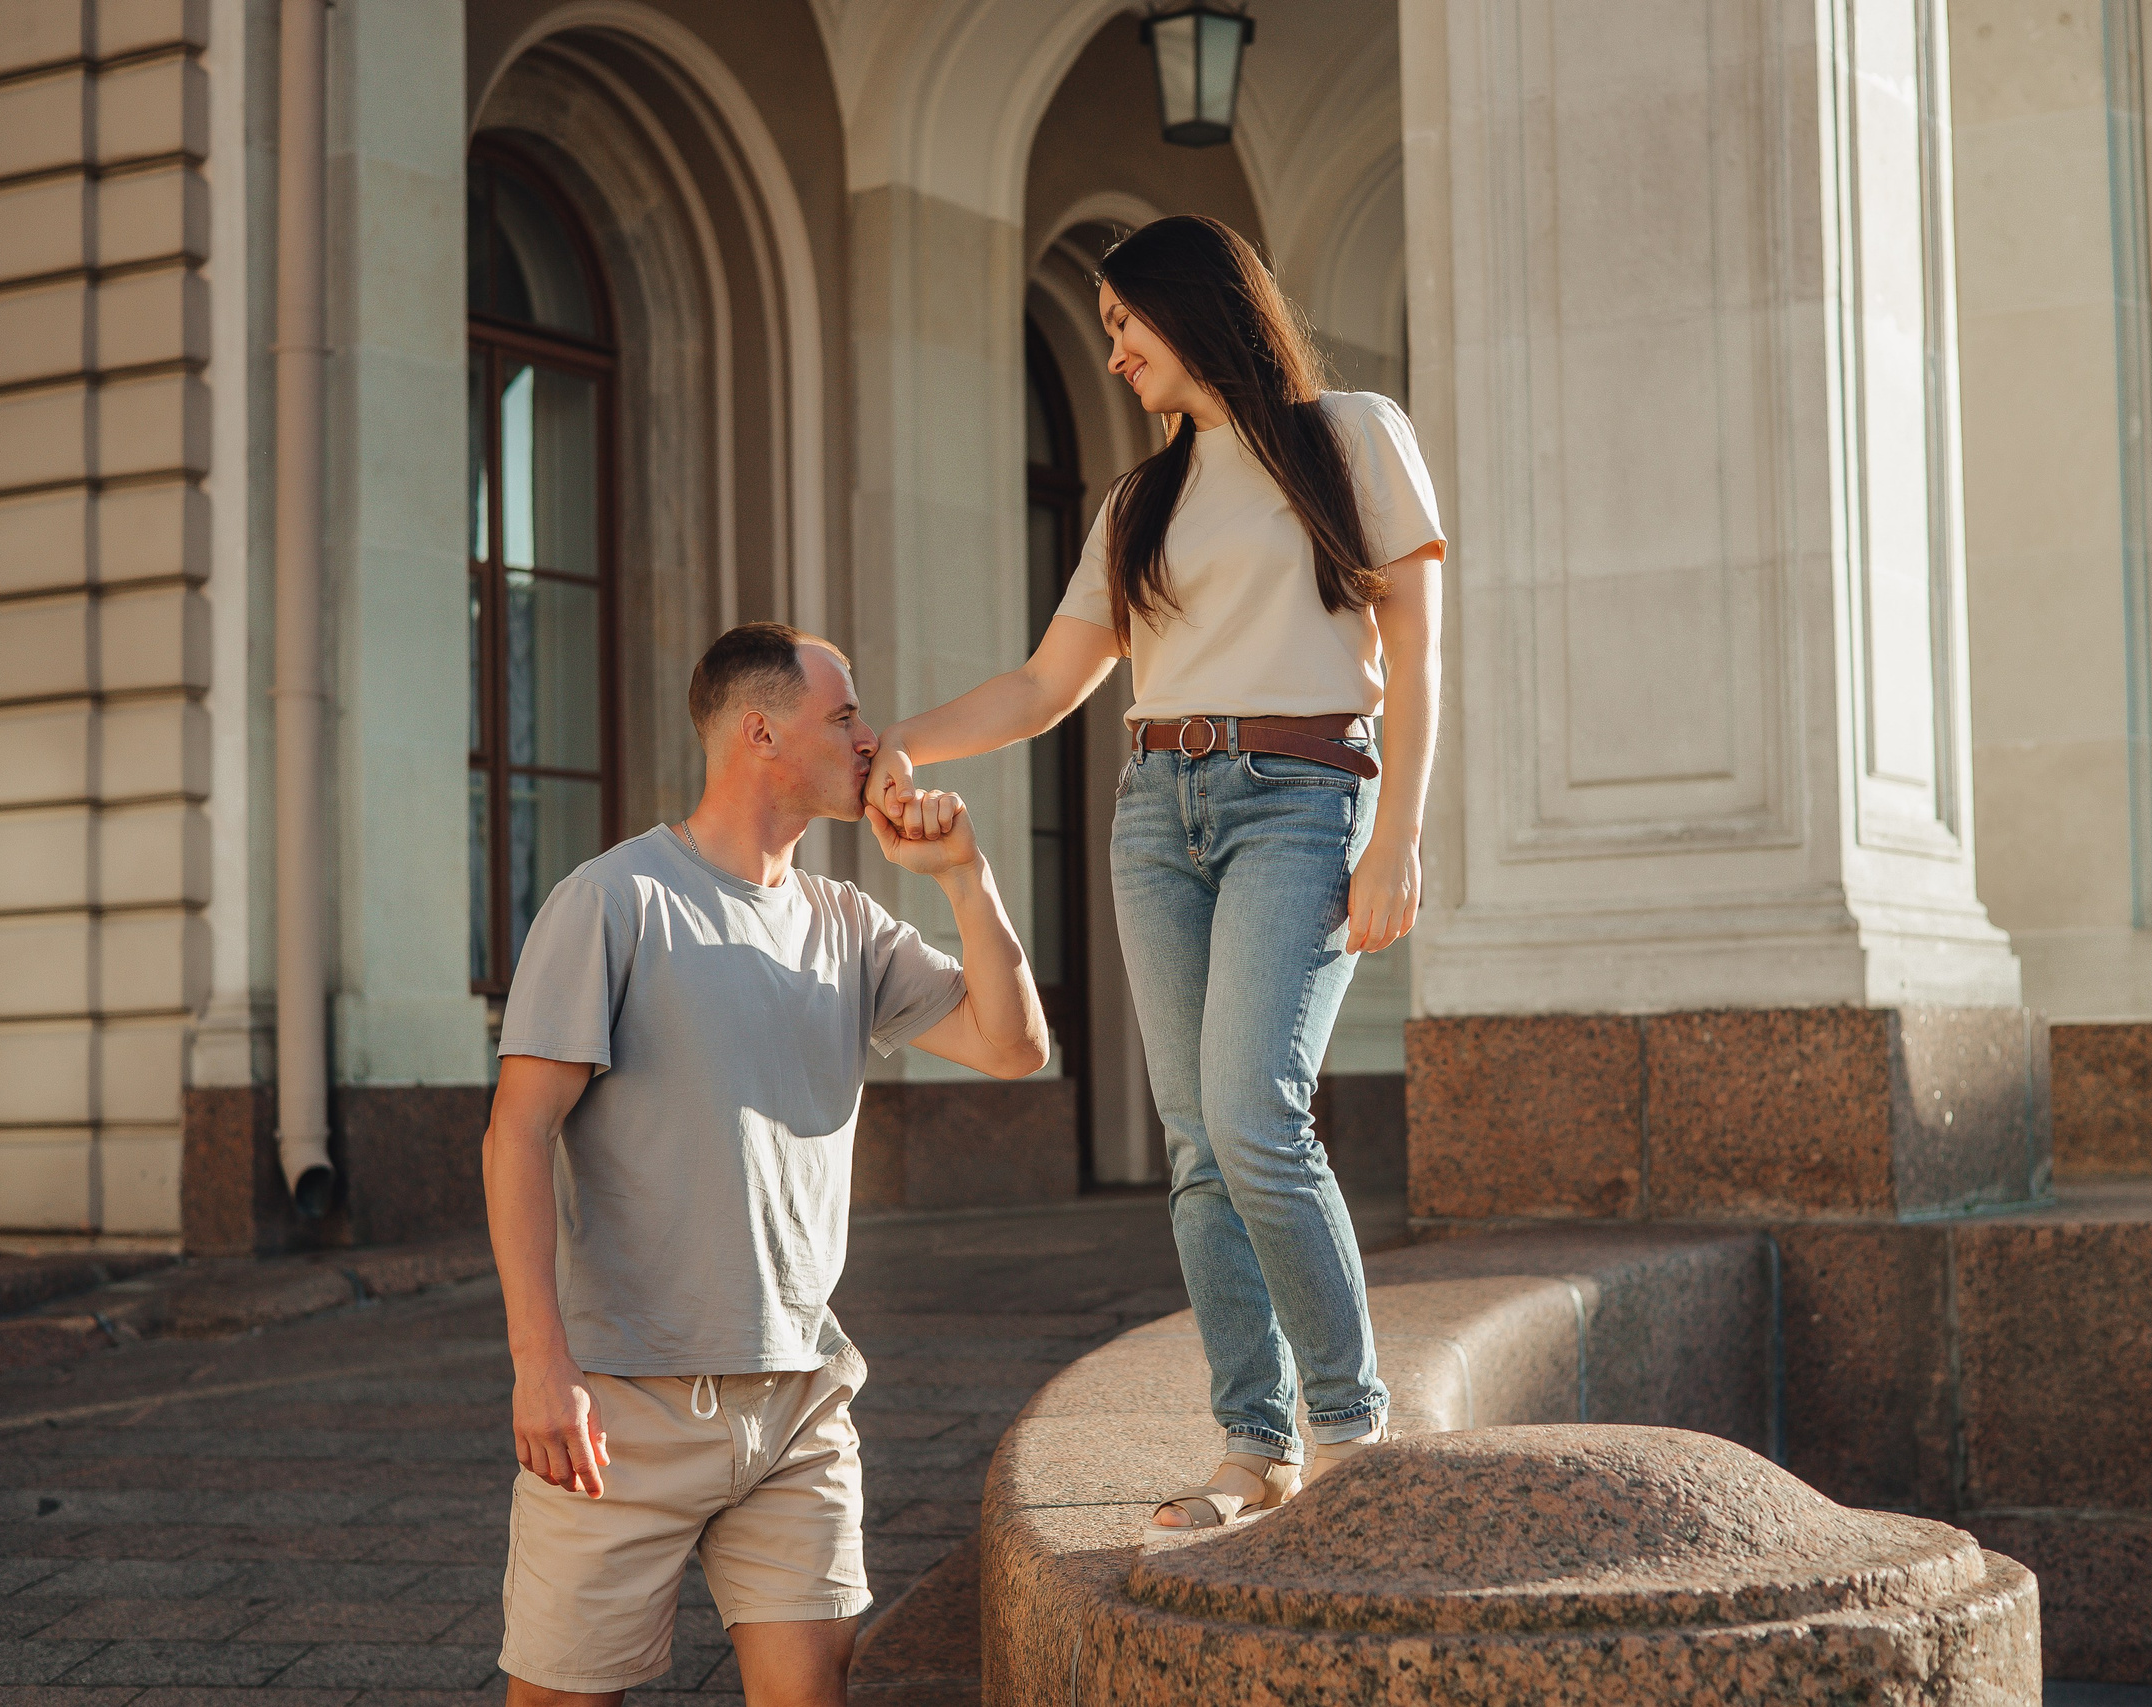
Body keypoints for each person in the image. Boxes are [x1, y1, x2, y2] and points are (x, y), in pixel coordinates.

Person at [866, 215, 1444, 1530]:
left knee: (1255, 1112)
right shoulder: (1142, 501)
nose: (1116, 352)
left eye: (1126, 323)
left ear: (1194, 309)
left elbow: (1418, 648)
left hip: (1303, 797)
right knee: (1196, 1145)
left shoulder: (1354, 434)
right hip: (1155, 808)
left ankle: (1352, 1431)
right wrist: (898, 739)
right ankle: (1255, 1444)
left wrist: (1399, 832)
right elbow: (1045, 684)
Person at [483, 622, 1048, 1707]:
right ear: (759, 732)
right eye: (842, 717)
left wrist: (963, 874)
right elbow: (515, 1133)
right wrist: (540, 1368)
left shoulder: (849, 922)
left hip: (798, 1404)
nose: (872, 739)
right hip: (625, 1407)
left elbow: (1014, 1047)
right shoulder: (616, 901)